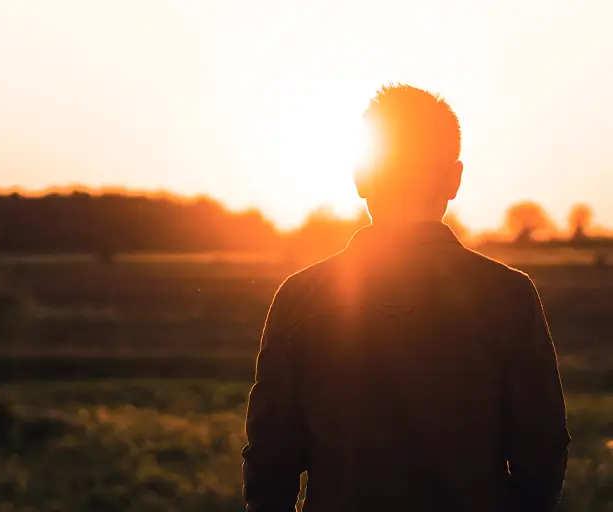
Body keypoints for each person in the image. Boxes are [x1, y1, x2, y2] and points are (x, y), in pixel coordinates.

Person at [242, 84, 570, 511]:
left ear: (360, 176)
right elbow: (541, 451)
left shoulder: (300, 299)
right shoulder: (509, 297)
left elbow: (270, 462)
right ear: (454, 180)